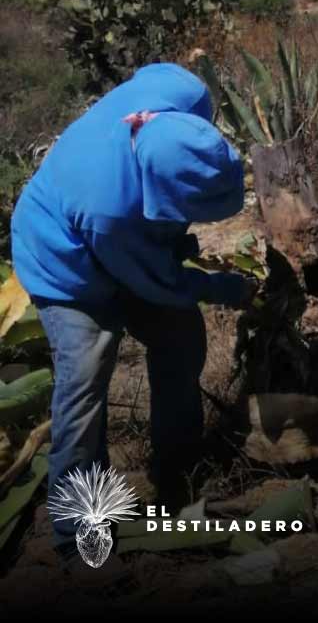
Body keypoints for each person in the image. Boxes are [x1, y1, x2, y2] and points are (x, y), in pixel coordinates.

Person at [10, 62, 257, 565]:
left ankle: (179, 475)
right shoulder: (111, 211)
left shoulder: (182, 92)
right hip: (63, 261)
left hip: (125, 244)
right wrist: (227, 288)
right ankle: (81, 533)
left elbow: (158, 71)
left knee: (181, 339)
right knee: (85, 384)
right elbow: (162, 285)